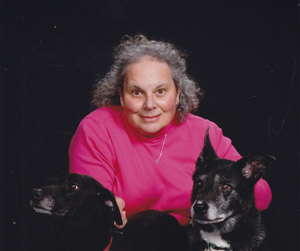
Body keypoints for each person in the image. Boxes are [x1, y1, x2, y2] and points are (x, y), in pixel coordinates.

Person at [69, 34, 272, 227]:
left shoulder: (205, 131)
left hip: (194, 244)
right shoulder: (96, 129)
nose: (149, 104)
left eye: (160, 91)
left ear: (177, 94)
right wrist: (105, 213)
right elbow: (88, 211)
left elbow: (262, 196)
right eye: (137, 92)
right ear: (121, 96)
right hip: (127, 248)